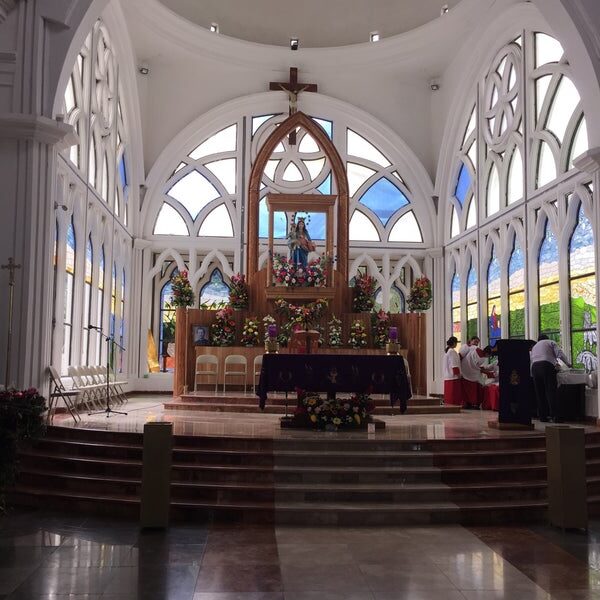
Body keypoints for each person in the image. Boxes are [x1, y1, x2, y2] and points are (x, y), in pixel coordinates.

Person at [530, 334, 572, 422]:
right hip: (546, 366)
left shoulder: (535, 346)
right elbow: (560, 354)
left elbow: (532, 359)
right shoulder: (551, 342)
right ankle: (555, 416)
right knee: (551, 391)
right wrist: (568, 364)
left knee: (539, 393)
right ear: (547, 338)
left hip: (534, 368)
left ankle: (542, 416)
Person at [443, 336, 462, 406]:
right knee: (454, 396)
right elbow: (454, 365)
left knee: (449, 395)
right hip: (453, 377)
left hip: (447, 376)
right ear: (454, 343)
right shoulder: (452, 352)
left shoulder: (447, 351)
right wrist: (458, 375)